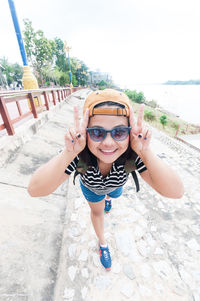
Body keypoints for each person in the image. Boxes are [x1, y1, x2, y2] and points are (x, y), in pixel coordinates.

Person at [28, 89, 184, 271]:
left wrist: (145, 151)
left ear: (129, 132)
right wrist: (68, 153)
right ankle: (103, 244)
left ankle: (108, 198)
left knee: (113, 194)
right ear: (85, 133)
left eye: (119, 132)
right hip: (92, 188)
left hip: (116, 185)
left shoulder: (132, 154)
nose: (108, 142)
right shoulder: (79, 155)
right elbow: (35, 189)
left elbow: (176, 191)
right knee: (98, 212)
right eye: (96, 132)